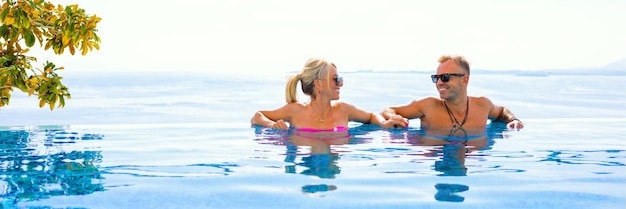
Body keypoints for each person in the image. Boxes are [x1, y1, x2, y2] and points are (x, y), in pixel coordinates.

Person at [251, 58, 403, 130]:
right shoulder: (295, 110)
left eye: (340, 79)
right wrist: (272, 125)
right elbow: (257, 116)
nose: (341, 83)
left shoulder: (344, 110)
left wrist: (384, 124)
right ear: (318, 84)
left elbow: (370, 116)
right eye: (335, 79)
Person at [381, 55, 524, 130]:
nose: (439, 83)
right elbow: (388, 110)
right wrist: (394, 118)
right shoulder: (428, 106)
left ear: (465, 80)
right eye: (436, 78)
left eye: (445, 77)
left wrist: (513, 120)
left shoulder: (482, 105)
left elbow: (501, 112)